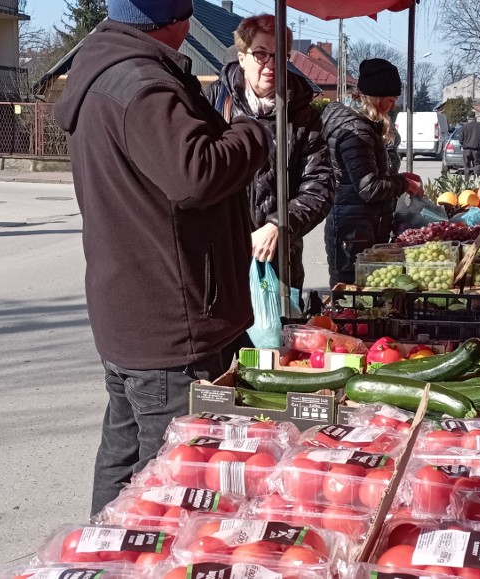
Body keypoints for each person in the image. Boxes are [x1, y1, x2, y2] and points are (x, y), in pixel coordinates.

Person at [54, 0, 270, 517]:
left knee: (125, 460)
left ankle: (102, 554)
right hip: (173, 324)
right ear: (176, 22)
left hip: (134, 314)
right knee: (175, 485)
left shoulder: (105, 69)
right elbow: (195, 172)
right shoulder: (142, 84)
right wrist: (252, 133)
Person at [203, 13, 333, 292]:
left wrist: (279, 225)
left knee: (276, 335)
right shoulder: (212, 104)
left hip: (278, 264)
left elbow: (320, 187)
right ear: (241, 57)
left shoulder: (302, 115)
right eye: (261, 54)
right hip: (219, 259)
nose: (271, 65)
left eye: (280, 56)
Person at [321, 58, 423, 286]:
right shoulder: (356, 130)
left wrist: (400, 178)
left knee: (361, 292)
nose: (393, 106)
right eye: (390, 100)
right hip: (353, 229)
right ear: (376, 97)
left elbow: (368, 174)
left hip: (359, 224)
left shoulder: (362, 124)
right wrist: (402, 184)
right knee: (351, 291)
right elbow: (369, 187)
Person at [458, 110, 480, 177]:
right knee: (477, 166)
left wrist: (464, 144)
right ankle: (476, 183)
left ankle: (466, 182)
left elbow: (460, 139)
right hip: (476, 150)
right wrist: (478, 143)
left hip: (466, 150)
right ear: (474, 117)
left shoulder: (464, 127)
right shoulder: (479, 126)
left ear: (467, 117)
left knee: (466, 167)